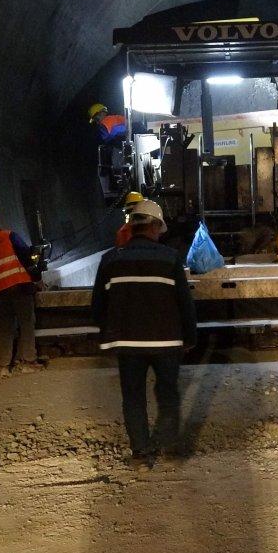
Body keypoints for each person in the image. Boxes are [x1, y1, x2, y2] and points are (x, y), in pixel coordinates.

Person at [91, 200, 197, 467]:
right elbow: (185, 303)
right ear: (154, 226)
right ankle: (170, 451)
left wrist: (107, 334)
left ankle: (140, 453)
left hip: (127, 343)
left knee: (133, 396)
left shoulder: (110, 260)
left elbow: (97, 306)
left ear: (133, 226)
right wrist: (190, 337)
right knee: (168, 393)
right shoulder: (171, 259)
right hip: (167, 341)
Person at [0, 211, 44, 376]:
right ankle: (29, 361)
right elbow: (27, 259)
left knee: (5, 328)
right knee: (26, 323)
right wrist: (36, 279)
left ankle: (4, 366)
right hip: (19, 287)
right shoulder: (9, 236)